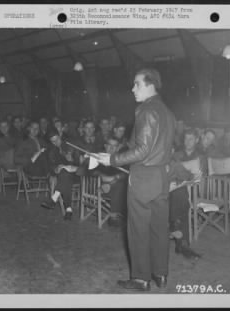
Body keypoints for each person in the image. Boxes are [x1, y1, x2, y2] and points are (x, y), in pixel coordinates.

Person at [96, 68, 176, 291]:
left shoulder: (146, 110)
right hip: (161, 176)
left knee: (138, 229)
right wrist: (117, 154)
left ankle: (141, 278)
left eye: (137, 84)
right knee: (160, 228)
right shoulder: (167, 112)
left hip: (144, 177)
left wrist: (112, 159)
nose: (133, 89)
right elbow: (151, 146)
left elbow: (142, 151)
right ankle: (161, 274)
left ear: (150, 84)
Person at [168, 128, 203, 259]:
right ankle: (182, 244)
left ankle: (176, 230)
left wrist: (184, 173)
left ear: (197, 140)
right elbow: (170, 172)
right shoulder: (176, 154)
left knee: (179, 193)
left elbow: (200, 174)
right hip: (177, 188)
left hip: (195, 189)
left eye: (191, 139)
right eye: (186, 138)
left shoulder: (200, 155)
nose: (188, 142)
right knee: (180, 195)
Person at [41, 130, 78, 220]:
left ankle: (54, 198)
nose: (56, 142)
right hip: (63, 177)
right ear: (50, 142)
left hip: (77, 174)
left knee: (65, 177)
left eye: (57, 139)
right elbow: (51, 166)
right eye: (53, 141)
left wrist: (71, 160)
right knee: (65, 175)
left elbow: (79, 162)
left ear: (60, 136)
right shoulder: (51, 150)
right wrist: (56, 169)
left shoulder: (69, 144)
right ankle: (68, 209)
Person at [94, 137, 128, 228]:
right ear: (105, 146)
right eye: (109, 145)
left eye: (115, 146)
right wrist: (102, 176)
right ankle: (114, 217)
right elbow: (92, 171)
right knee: (120, 185)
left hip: (114, 186)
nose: (112, 148)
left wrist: (114, 178)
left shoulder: (121, 159)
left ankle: (118, 216)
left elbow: (126, 173)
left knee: (121, 182)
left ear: (118, 148)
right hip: (99, 186)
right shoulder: (99, 157)